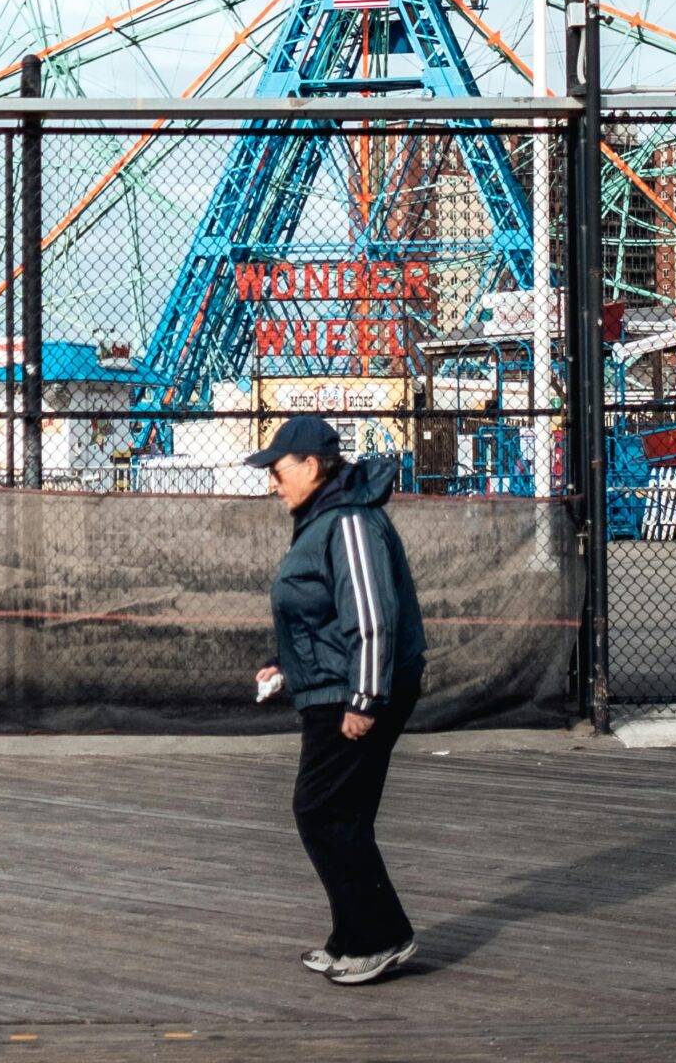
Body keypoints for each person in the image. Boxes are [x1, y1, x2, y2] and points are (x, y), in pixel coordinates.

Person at [250, 413, 426, 986]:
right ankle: (354, 937)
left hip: (355, 691)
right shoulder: (324, 515)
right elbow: (318, 612)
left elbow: (372, 615)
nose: (272, 483)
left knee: (321, 811)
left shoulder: (348, 519)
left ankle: (381, 937)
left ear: (311, 465)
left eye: (277, 472)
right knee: (341, 815)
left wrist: (365, 699)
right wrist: (285, 662)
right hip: (334, 684)